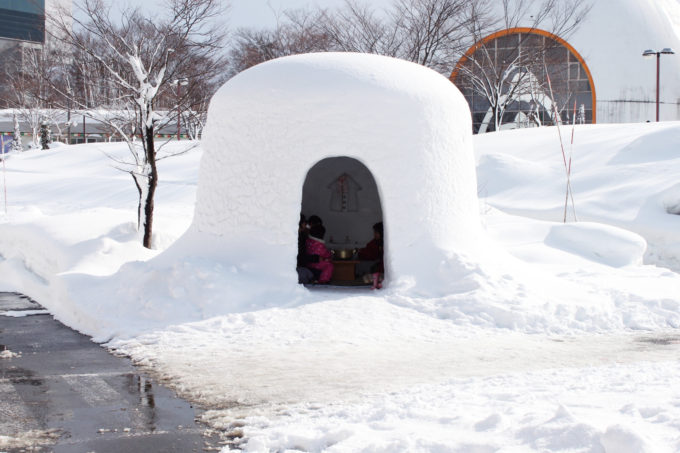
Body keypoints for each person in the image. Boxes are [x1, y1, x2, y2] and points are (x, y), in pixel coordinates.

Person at [357, 222, 384, 289]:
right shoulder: (375, 242)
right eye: (374, 232)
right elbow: (369, 250)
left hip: (382, 269)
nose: (374, 234)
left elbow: (371, 255)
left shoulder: (384, 243)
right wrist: (361, 251)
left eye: (376, 232)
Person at [297, 214, 320, 284]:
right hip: (300, 267)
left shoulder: (303, 235)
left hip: (305, 263)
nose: (306, 225)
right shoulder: (298, 238)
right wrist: (317, 258)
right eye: (305, 222)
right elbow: (301, 257)